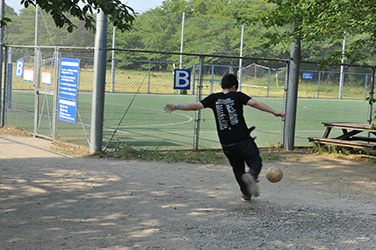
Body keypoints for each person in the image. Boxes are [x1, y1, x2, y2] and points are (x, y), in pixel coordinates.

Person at [164, 73, 286, 201]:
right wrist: (274, 112)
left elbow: (196, 106)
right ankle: (251, 175)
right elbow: (254, 103)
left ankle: (246, 193)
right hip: (243, 140)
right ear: (234, 86)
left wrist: (177, 106)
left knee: (238, 168)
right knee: (255, 162)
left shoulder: (214, 98)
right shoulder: (238, 96)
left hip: (227, 144)